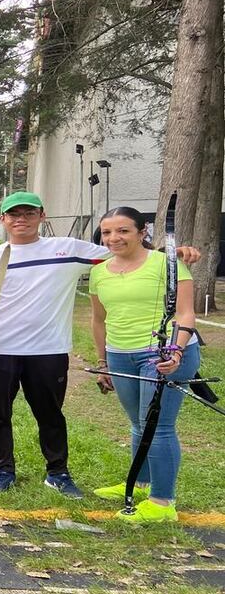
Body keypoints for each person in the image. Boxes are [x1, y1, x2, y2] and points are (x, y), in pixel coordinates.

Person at [0, 191, 200, 498]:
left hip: (48, 350)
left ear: (42, 216)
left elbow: (123, 252)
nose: (21, 219)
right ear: (3, 220)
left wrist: (170, 254)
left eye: (29, 213)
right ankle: (3, 470)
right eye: (14, 214)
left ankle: (58, 473)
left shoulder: (68, 249)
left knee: (50, 415)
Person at [89, 207, 198, 523]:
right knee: (138, 423)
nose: (114, 238)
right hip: (120, 354)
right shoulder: (99, 272)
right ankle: (141, 483)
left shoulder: (168, 264)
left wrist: (175, 351)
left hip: (163, 353)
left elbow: (185, 313)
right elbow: (99, 320)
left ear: (142, 231)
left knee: (158, 425)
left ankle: (162, 504)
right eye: (107, 232)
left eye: (123, 230)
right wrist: (103, 360)